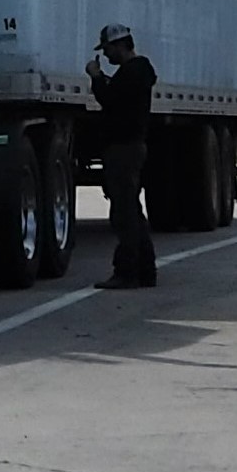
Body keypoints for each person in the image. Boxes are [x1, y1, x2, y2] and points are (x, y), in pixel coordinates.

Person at [87, 24, 158, 289]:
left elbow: (110, 99)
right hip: (130, 147)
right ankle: (145, 270)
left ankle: (127, 272)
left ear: (120, 45)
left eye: (107, 49)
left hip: (123, 148)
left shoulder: (132, 72)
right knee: (131, 210)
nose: (106, 55)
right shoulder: (137, 72)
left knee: (124, 213)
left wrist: (96, 77)